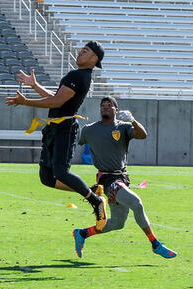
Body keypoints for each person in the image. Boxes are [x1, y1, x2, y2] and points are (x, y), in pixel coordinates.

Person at [6, 41, 108, 230]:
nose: (80, 52)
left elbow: (56, 102)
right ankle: (92, 192)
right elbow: (57, 98)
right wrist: (35, 86)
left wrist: (25, 101)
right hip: (55, 128)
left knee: (61, 172)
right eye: (81, 49)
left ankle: (96, 202)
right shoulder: (78, 75)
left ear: (94, 59)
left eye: (86, 51)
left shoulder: (79, 75)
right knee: (46, 177)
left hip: (65, 128)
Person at [73, 96, 178, 259]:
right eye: (103, 105)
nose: (105, 108)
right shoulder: (89, 129)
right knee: (136, 203)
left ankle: (82, 233)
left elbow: (143, 135)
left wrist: (134, 121)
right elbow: (74, 143)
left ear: (116, 109)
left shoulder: (123, 127)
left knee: (117, 223)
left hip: (122, 177)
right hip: (106, 180)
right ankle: (155, 244)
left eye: (109, 105)